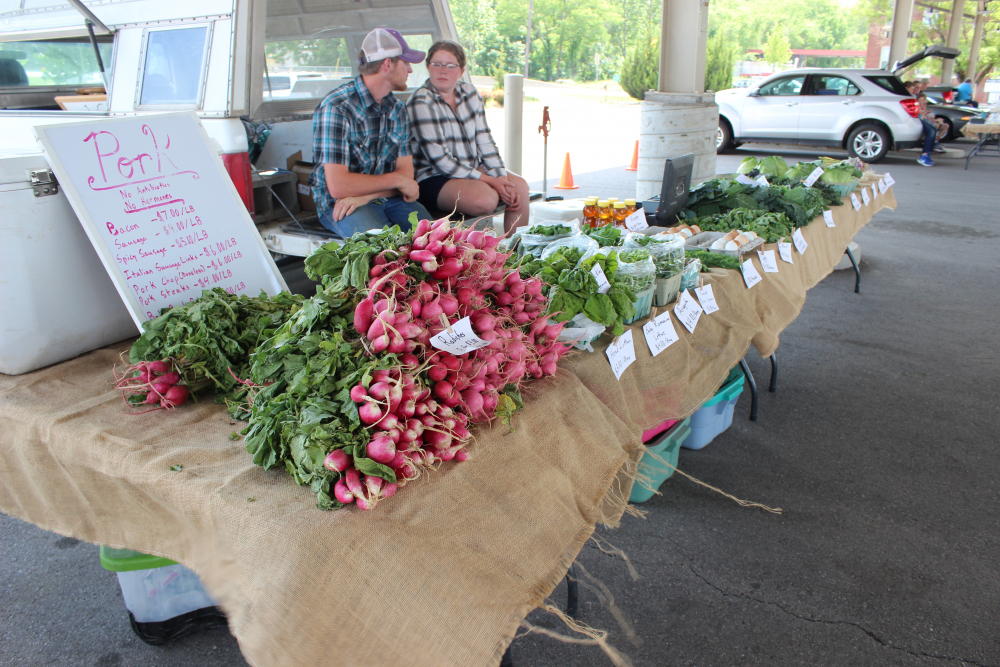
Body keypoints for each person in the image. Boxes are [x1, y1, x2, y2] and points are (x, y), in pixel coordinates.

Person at [309, 27, 431, 238]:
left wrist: (367, 196)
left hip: (384, 198)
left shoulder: (397, 109)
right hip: (341, 204)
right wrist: (398, 181)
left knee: (436, 238)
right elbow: (339, 186)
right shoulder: (336, 107)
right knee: (383, 249)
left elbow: (406, 179)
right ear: (387, 64)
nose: (410, 70)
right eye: (406, 62)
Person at [405, 40, 530, 233]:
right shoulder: (421, 101)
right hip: (434, 176)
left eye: (450, 65)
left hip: (471, 168)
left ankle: (516, 246)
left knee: (519, 187)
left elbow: (485, 141)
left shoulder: (470, 93)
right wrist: (490, 181)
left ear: (461, 70)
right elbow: (441, 162)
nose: (443, 71)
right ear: (428, 66)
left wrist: (500, 177)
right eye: (437, 64)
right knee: (486, 200)